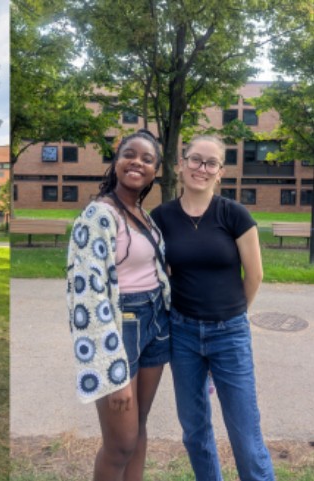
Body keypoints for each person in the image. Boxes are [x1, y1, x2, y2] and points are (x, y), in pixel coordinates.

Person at [151, 135, 274, 480]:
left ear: (220, 172)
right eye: (194, 159)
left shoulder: (234, 214)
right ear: (180, 164)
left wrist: (232, 314)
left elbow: (255, 274)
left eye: (210, 163)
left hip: (229, 334)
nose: (201, 168)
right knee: (194, 432)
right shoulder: (161, 218)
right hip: (183, 335)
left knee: (245, 435)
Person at [66, 130, 171, 480]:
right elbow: (87, 297)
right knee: (120, 443)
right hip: (118, 327)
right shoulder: (99, 214)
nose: (137, 162)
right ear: (116, 159)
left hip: (155, 322)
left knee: (139, 427)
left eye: (147, 159)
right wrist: (114, 370)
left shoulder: (141, 212)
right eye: (130, 154)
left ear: (156, 171)